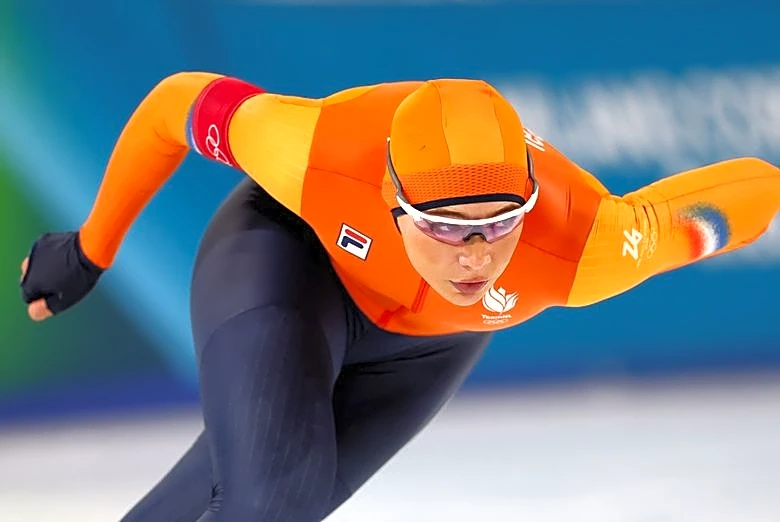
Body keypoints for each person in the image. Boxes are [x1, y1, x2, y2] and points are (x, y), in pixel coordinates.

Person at [19, 72, 780, 522]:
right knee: (273, 501)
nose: (476, 257)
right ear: (390, 201)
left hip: (427, 345)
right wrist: (90, 248)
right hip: (289, 265)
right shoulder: (316, 152)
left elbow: (750, 192)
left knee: (267, 492)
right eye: (445, 228)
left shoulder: (583, 242)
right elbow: (172, 107)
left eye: (501, 223)